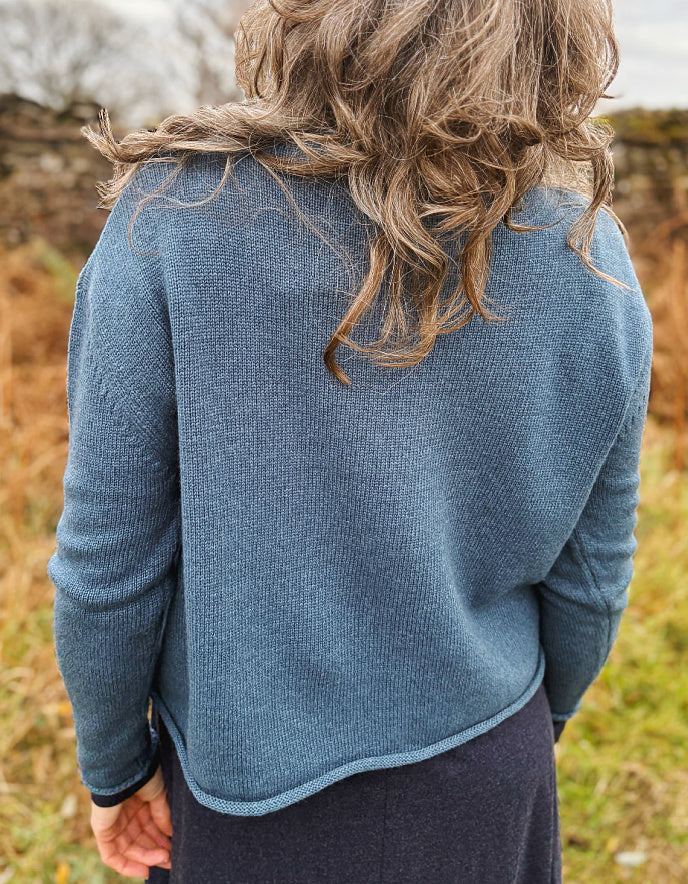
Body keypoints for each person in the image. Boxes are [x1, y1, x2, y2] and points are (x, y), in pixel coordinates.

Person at [47, 0, 653, 881]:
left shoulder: (174, 216)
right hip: (484, 766)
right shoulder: (592, 257)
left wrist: (114, 768)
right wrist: (525, 731)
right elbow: (595, 577)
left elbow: (109, 568)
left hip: (247, 794)